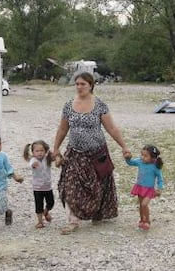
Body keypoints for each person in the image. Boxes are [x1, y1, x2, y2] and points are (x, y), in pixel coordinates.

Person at [52, 72, 131, 235]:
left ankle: (98, 214)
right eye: (77, 84)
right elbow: (62, 129)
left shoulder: (100, 105)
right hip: (75, 153)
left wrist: (124, 146)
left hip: (97, 153)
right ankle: (72, 221)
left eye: (83, 84)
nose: (79, 87)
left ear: (91, 85)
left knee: (98, 187)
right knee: (69, 185)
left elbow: (111, 128)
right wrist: (56, 148)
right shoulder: (68, 105)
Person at [124, 145, 164, 231]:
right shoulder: (139, 162)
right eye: (142, 154)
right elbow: (130, 162)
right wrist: (127, 158)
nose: (142, 157)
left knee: (144, 204)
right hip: (140, 187)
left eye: (145, 156)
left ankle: (147, 221)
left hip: (149, 189)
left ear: (153, 158)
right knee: (141, 205)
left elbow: (160, 179)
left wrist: (159, 189)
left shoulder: (155, 167)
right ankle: (142, 219)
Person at [23, 140, 55, 229]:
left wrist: (55, 156)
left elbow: (54, 158)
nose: (39, 153)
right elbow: (31, 164)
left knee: (51, 203)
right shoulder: (33, 160)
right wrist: (34, 164)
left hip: (48, 186)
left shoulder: (47, 159)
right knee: (38, 205)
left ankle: (46, 212)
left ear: (45, 151)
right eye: (37, 151)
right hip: (37, 188)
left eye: (41, 150)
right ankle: (40, 222)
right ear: (33, 152)